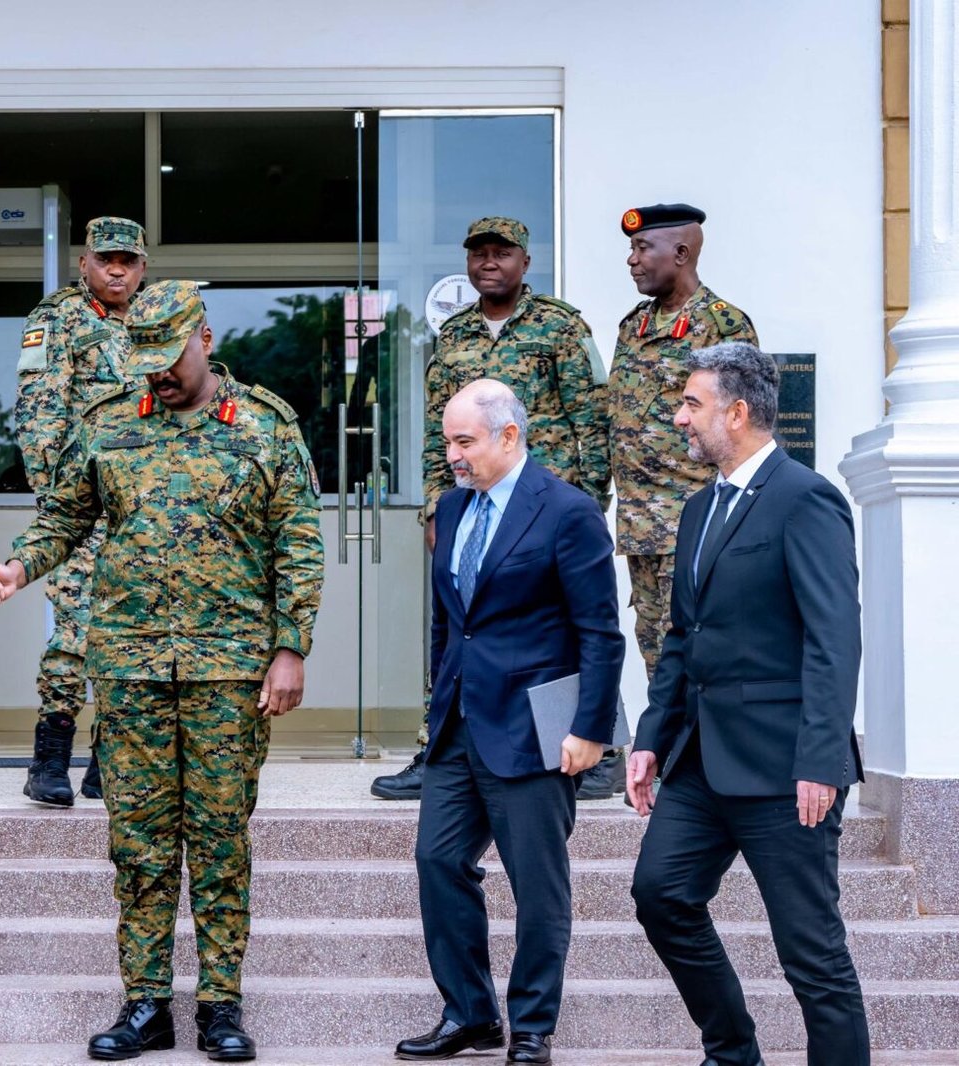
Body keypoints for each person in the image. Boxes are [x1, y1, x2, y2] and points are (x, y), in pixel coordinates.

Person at [0, 280, 323, 1062]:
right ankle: (144, 1003)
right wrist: (16, 568)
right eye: (143, 362)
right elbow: (64, 517)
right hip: (131, 668)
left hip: (230, 672)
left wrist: (291, 646)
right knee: (136, 843)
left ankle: (220, 1005)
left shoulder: (266, 427)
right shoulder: (108, 427)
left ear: (203, 337)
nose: (157, 376)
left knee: (218, 840)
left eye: (168, 359)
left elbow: (299, 543)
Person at [628, 342, 869, 1066]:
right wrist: (649, 737)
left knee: (812, 956)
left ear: (736, 412)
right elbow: (682, 637)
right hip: (700, 759)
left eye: (692, 404)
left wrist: (823, 761)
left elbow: (835, 639)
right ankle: (733, 1052)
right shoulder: (701, 507)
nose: (679, 418)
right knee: (660, 894)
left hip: (786, 770)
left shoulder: (807, 497)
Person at [397, 379, 624, 1065]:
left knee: (538, 884)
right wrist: (438, 701)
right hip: (459, 726)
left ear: (509, 436)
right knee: (438, 860)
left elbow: (600, 634)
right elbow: (449, 622)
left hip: (535, 729)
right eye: (446, 442)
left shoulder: (568, 511)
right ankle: (470, 1015)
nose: (452, 457)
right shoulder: (453, 506)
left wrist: (590, 729)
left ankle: (531, 1027)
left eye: (464, 442)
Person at [373, 216, 610, 803]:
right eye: (479, 253)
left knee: (565, 628)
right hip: (473, 508)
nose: (489, 263)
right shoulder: (452, 336)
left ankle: (590, 750)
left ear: (525, 262)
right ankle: (440, 749)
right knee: (460, 630)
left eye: (502, 253)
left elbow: (592, 422)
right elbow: (437, 431)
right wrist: (435, 508)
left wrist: (590, 505)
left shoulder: (560, 326)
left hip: (544, 510)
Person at [608, 204, 758, 727]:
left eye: (641, 249)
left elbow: (746, 429)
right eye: (631, 250)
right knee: (658, 652)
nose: (632, 260)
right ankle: (671, 760)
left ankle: (712, 764)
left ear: (681, 252)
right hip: (641, 529)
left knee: (706, 651)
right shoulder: (634, 327)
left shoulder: (724, 325)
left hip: (697, 523)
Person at [15, 215, 147, 806]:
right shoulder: (58, 318)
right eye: (105, 260)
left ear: (142, 267)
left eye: (128, 261)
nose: (116, 270)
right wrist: (59, 503)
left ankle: (105, 759)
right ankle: (51, 754)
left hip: (145, 510)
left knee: (132, 633)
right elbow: (40, 414)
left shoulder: (155, 321)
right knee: (74, 629)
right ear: (84, 263)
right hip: (83, 506)